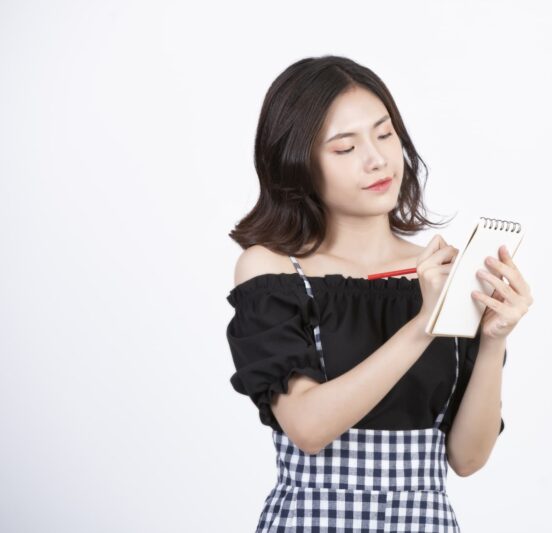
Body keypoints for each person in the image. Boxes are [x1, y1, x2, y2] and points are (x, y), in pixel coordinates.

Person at [225, 55, 533, 532]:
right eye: (345, 147)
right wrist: (424, 323)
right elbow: (308, 428)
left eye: (385, 134)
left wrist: (494, 340)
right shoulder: (273, 270)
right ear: (297, 164)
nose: (377, 160)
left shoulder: (441, 272)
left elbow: (467, 459)